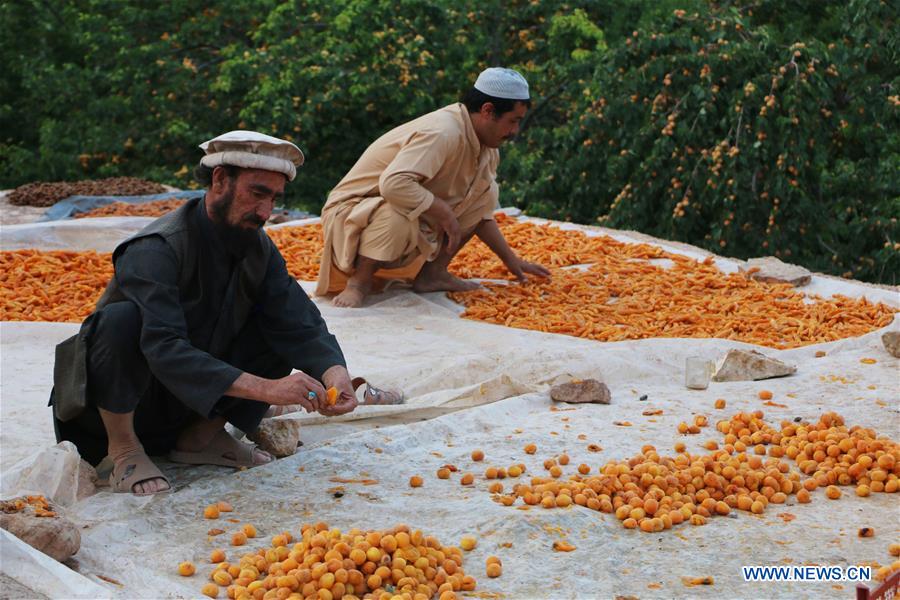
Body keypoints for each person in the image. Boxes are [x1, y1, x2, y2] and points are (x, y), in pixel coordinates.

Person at [51, 131, 359, 496]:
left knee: (275, 326)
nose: (265, 212)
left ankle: (199, 438)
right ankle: (125, 450)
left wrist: (334, 372)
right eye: (257, 193)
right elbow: (164, 347)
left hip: (191, 404)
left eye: (274, 199)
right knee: (121, 321)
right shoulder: (156, 248)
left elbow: (298, 320)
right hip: (125, 403)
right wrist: (267, 389)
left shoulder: (257, 248)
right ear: (219, 181)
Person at [316, 67, 551, 307]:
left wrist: (512, 261)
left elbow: (480, 212)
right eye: (513, 121)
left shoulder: (486, 149)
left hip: (392, 212)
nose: (514, 131)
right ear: (488, 110)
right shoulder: (444, 132)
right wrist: (444, 212)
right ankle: (359, 282)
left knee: (487, 192)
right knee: (397, 213)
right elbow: (394, 184)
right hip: (351, 214)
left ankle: (433, 274)